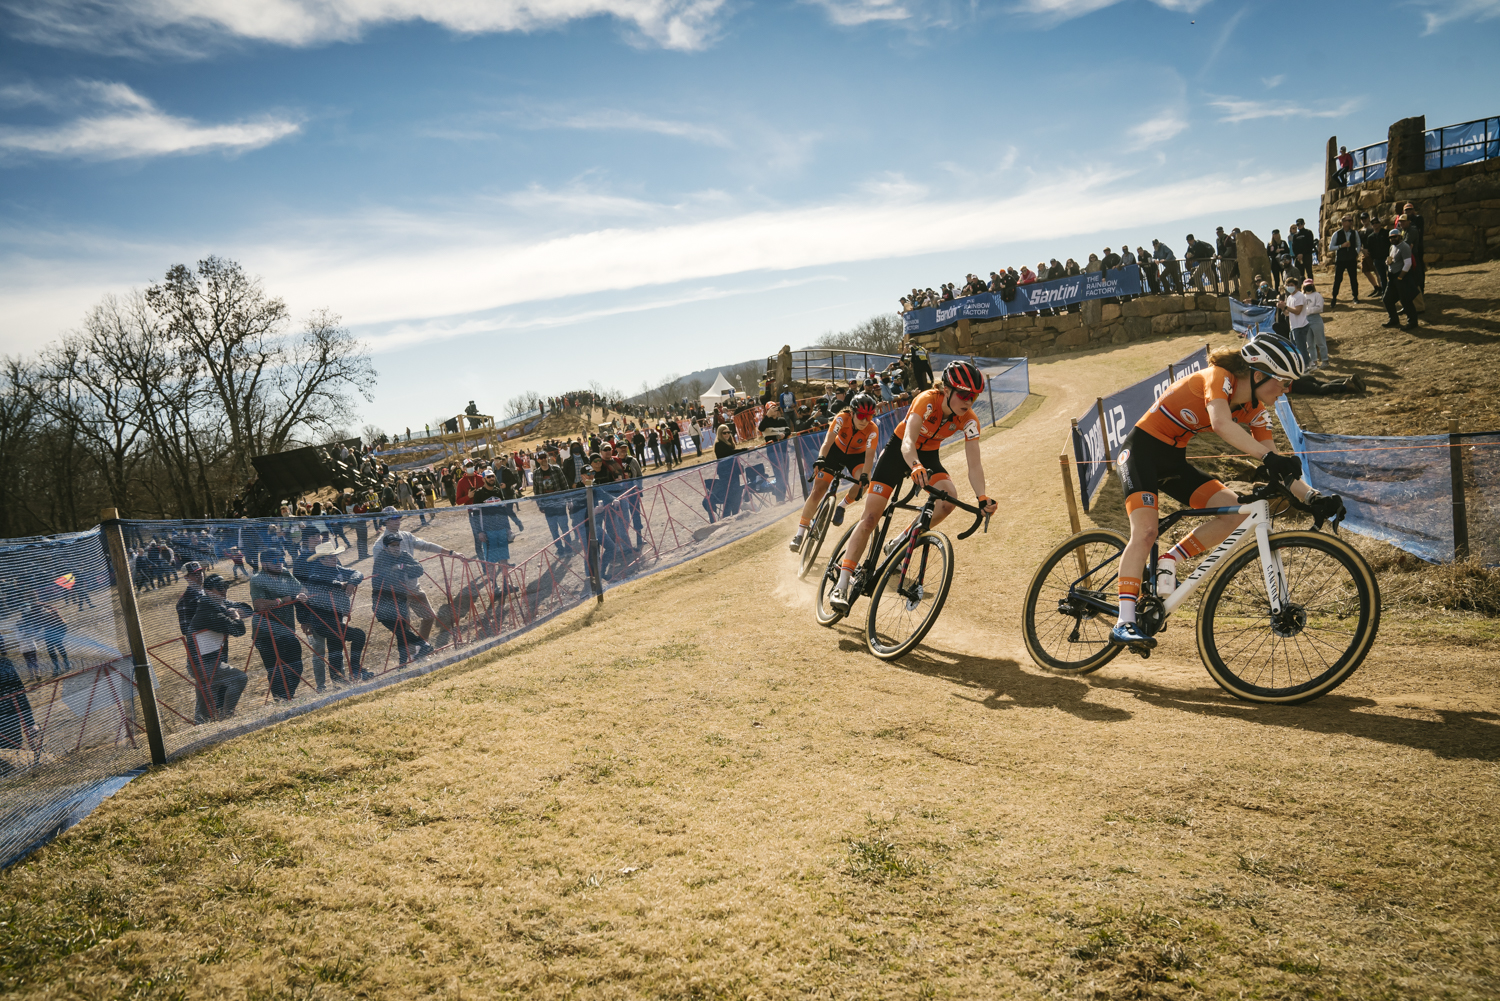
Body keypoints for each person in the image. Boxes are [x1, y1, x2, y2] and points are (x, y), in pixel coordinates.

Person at [1108, 337, 1344, 649]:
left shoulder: (1256, 409)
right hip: (1140, 453)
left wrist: (1313, 497)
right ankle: (1123, 621)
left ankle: (1169, 559)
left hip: (1174, 460)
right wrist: (1267, 458)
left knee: (1236, 514)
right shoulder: (1218, 378)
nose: (1286, 390)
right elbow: (1220, 423)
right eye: (1283, 382)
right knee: (1146, 531)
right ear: (1259, 375)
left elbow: (1278, 467)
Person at [828, 362, 997, 615]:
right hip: (899, 453)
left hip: (928, 457)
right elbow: (908, 441)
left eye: (973, 396)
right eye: (963, 394)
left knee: (949, 500)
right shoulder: (927, 399)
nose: (968, 401)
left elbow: (975, 463)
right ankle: (841, 583)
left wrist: (982, 498)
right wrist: (914, 465)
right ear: (948, 390)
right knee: (871, 518)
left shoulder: (969, 419)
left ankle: (899, 541)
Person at [789, 392, 879, 554]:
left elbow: (869, 457)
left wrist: (864, 476)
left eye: (869, 416)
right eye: (861, 416)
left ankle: (841, 506)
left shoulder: (872, 429)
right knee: (818, 491)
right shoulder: (841, 418)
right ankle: (800, 533)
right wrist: (821, 458)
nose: (865, 421)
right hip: (835, 451)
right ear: (852, 413)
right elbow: (827, 442)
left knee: (864, 483)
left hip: (856, 456)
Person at [378, 507, 459, 645]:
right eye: (393, 518)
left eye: (398, 517)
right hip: (397, 592)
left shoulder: (407, 536)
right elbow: (381, 570)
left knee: (429, 616)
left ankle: (421, 648)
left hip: (414, 587)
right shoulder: (379, 545)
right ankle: (408, 656)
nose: (397, 521)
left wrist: (450, 552)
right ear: (385, 521)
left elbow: (426, 545)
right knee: (405, 625)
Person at [300, 540, 369, 683]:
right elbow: (320, 581)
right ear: (321, 559)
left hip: (336, 618)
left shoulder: (337, 568)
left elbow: (358, 573)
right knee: (358, 635)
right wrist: (341, 585)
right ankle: (355, 669)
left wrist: (352, 583)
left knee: (336, 650)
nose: (334, 559)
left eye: (334, 556)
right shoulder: (315, 573)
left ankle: (339, 682)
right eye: (331, 556)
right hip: (322, 621)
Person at [248, 550, 307, 702]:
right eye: (275, 561)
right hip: (265, 634)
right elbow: (259, 605)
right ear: (264, 564)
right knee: (276, 671)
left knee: (296, 666)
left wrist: (300, 595)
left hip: (287, 630)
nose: (280, 563)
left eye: (282, 559)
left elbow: (302, 589)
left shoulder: (285, 573)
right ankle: (281, 701)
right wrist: (282, 600)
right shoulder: (257, 580)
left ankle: (287, 697)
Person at [188, 574, 248, 721]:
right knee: (239, 678)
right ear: (208, 591)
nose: (224, 590)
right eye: (220, 588)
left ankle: (201, 724)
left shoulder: (217, 604)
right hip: (205, 663)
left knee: (205, 702)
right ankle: (226, 718)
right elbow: (238, 631)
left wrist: (237, 610)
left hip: (203, 662)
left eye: (226, 586)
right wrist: (236, 617)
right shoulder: (209, 612)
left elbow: (248, 608)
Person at [371, 533, 433, 665]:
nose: (396, 548)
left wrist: (401, 567)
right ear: (386, 547)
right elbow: (386, 576)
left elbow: (419, 569)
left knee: (428, 616)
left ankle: (418, 651)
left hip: (405, 593)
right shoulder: (382, 558)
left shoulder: (404, 555)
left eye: (397, 545)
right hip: (387, 600)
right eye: (393, 545)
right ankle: (412, 655)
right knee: (402, 628)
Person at [532, 450, 574, 554]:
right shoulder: (536, 473)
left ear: (548, 457)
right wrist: (540, 505)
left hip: (559, 503)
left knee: (564, 527)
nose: (543, 459)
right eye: (541, 458)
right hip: (547, 505)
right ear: (538, 460)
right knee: (553, 529)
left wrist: (569, 500)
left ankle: (568, 547)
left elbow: (565, 486)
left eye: (545, 457)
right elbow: (536, 491)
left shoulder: (556, 469)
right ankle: (559, 548)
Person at [1383, 227, 1419, 329]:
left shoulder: (1404, 247)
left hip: (1401, 277)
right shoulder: (1392, 247)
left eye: (1394, 237)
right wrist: (1388, 262)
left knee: (1406, 300)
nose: (1392, 239)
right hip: (1392, 276)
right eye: (1390, 237)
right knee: (1387, 299)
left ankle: (1412, 322)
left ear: (1400, 236)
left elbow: (1408, 264)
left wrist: (1400, 277)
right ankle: (1393, 319)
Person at [1328, 215, 1362, 307]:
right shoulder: (1337, 234)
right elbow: (1331, 247)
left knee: (1353, 278)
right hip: (1340, 260)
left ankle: (1355, 296)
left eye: (1351, 220)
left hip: (1351, 259)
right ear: (1343, 222)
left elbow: (1358, 244)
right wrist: (1341, 246)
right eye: (1349, 220)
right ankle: (1334, 297)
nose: (1351, 222)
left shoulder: (1355, 233)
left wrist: (1356, 253)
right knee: (1338, 279)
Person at [1301, 278, 1328, 367]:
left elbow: (1320, 308)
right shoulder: (1302, 296)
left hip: (1315, 319)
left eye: (1310, 285)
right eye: (1306, 286)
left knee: (1320, 341)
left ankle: (1325, 360)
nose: (1308, 287)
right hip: (1305, 319)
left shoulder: (1317, 295)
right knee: (1309, 343)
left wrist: (1308, 310)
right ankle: (1313, 361)